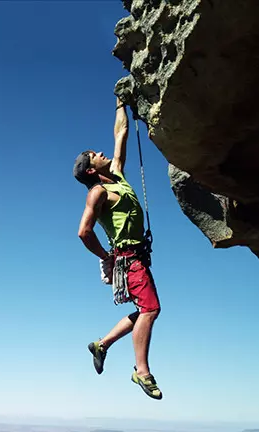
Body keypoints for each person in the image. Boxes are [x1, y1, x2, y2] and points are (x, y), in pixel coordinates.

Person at [73, 95, 162, 400]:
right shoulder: (98, 192)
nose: (100, 153)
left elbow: (120, 134)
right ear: (89, 170)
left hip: (137, 257)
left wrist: (119, 102)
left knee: (146, 308)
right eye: (93, 155)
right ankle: (141, 371)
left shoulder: (118, 177)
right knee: (150, 309)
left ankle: (102, 344)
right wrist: (107, 256)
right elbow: (84, 232)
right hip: (128, 258)